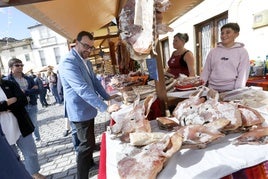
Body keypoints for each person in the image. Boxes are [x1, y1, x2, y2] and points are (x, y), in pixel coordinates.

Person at [58, 31, 120, 179]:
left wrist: (107, 96)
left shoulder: (86, 60)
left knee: (88, 141)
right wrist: (105, 107)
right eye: (86, 46)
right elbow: (81, 88)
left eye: (91, 47)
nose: (89, 50)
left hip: (87, 109)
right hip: (79, 110)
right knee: (85, 146)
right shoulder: (68, 62)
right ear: (76, 43)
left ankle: (90, 163)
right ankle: (81, 175)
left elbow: (94, 82)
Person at [0, 71, 45, 179]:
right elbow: (13, 100)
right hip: (3, 132)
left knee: (31, 152)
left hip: (20, 125)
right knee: (14, 159)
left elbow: (22, 100)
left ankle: (34, 173)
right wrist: (7, 103)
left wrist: (6, 106)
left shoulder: (9, 84)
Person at [200, 22, 250, 92]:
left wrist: (237, 92)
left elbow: (243, 74)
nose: (224, 35)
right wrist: (201, 87)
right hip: (212, 89)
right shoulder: (213, 51)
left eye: (228, 32)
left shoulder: (242, 52)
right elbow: (206, 71)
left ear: (236, 34)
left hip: (231, 90)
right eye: (222, 33)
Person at [4, 58, 41, 141]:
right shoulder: (7, 80)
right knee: (23, 125)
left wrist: (25, 91)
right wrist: (30, 90)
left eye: (21, 65)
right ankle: (29, 140)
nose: (20, 67)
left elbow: (37, 90)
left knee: (34, 123)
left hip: (31, 104)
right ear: (11, 67)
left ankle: (37, 139)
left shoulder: (29, 78)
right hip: (19, 107)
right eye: (17, 65)